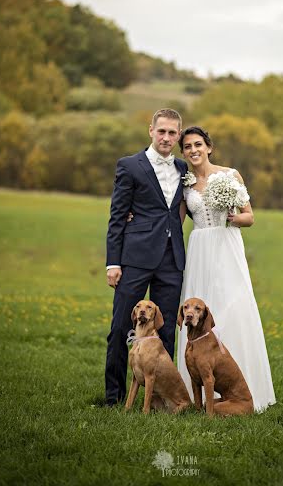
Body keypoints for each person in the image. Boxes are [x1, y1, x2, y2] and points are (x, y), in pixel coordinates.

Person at [177, 126, 276, 412]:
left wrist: (231, 218)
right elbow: (175, 220)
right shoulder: (185, 183)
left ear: (209, 147)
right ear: (183, 152)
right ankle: (199, 392)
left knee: (233, 309)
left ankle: (241, 389)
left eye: (198, 144)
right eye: (187, 147)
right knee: (199, 313)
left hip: (226, 246)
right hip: (199, 249)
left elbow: (250, 217)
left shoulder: (230, 176)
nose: (193, 150)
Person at [104, 109, 188, 407]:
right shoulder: (130, 166)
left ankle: (158, 400)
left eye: (172, 133)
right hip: (135, 259)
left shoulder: (183, 168)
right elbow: (117, 217)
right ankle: (113, 397)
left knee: (164, 330)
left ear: (178, 136)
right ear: (150, 130)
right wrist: (113, 262)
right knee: (120, 329)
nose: (166, 137)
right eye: (161, 131)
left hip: (171, 261)